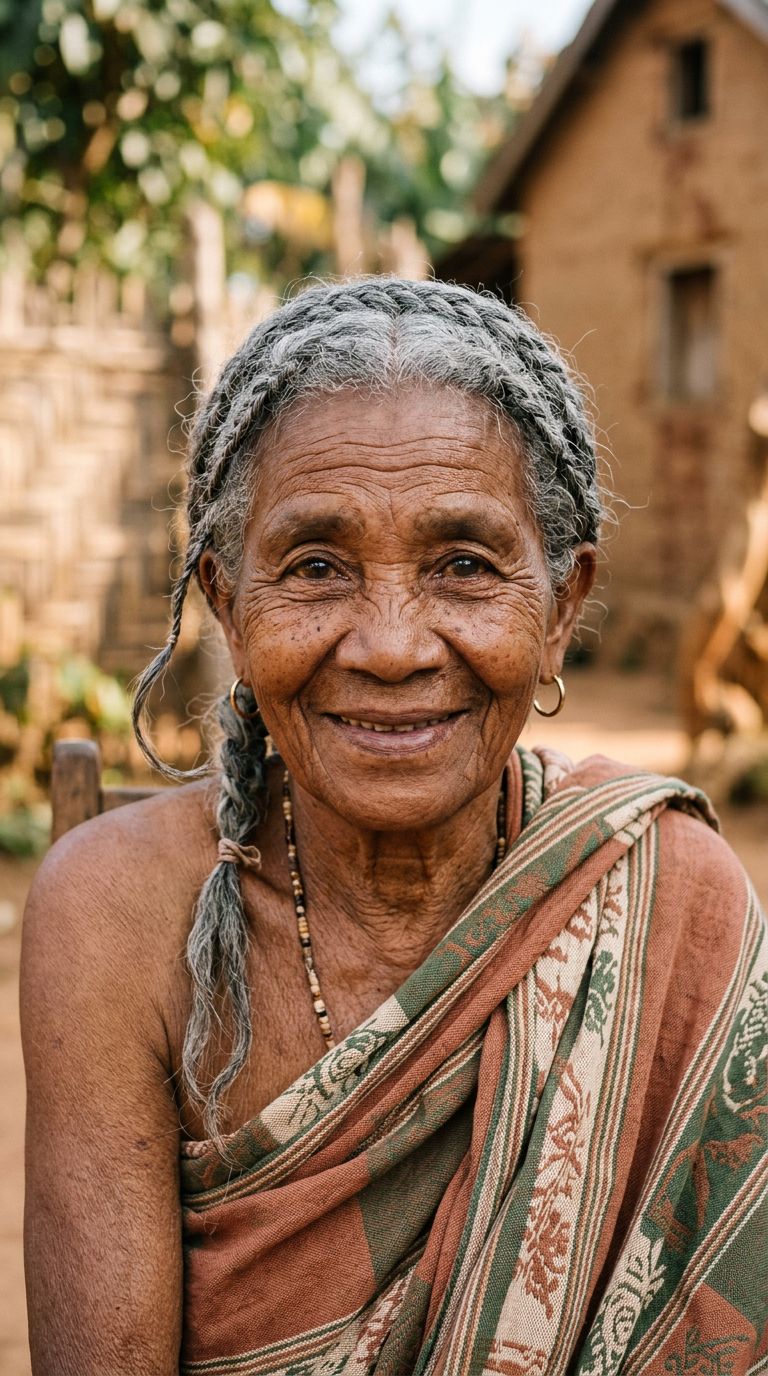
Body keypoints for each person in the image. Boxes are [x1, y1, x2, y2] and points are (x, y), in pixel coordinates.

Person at [22, 278, 766, 1376]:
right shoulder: (115, 919)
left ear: (562, 606)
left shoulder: (672, 893)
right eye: (316, 565)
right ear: (227, 603)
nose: (390, 644)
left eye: (464, 565)